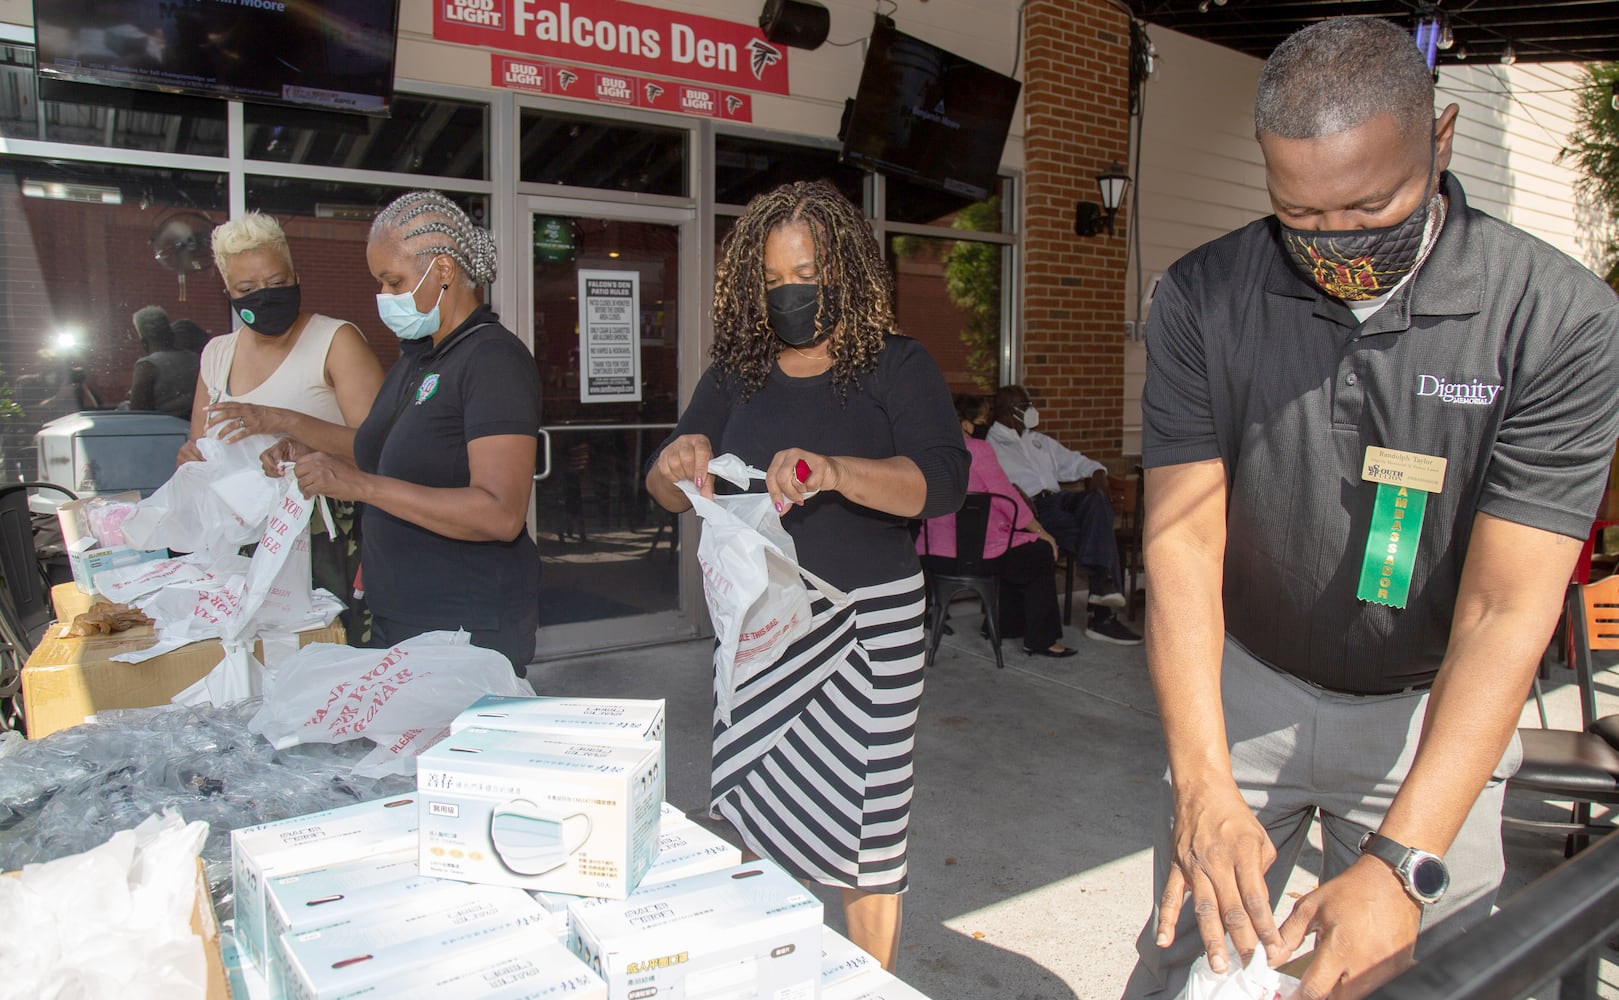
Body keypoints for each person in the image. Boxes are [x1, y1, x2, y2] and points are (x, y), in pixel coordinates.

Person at [1127, 18, 1619, 999]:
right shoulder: (1202, 298)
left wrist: (1401, 862)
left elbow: (1503, 609)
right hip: (1245, 689)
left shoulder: (1554, 321)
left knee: (1418, 976)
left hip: (1429, 714)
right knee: (1193, 957)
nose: (1335, 243)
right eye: (1296, 214)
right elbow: (1181, 539)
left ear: (1437, 141)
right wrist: (1199, 778)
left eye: (1368, 203)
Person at [645, 179, 967, 971]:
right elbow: (666, 489)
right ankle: (776, 968)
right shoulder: (736, 374)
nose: (791, 295)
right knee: (757, 807)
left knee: (866, 830)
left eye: (808, 274)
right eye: (774, 281)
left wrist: (832, 471)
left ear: (847, 272)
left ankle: (868, 985)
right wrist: (673, 461)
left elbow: (941, 482)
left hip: (865, 631)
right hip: (763, 628)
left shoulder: (897, 365)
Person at [269, 190, 542, 674]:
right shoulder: (418, 357)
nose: (385, 297)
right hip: (399, 613)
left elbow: (501, 513)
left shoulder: (493, 361)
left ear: (442, 271)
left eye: (393, 281)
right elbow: (378, 452)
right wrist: (304, 446)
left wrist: (363, 488)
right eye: (381, 283)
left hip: (464, 624)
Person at [183, 211, 385, 641]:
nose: (264, 296)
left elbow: (382, 449)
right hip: (244, 544)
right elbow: (199, 448)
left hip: (327, 542)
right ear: (228, 293)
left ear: (296, 276)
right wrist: (192, 461)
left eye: (276, 284)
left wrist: (279, 420)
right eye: (247, 289)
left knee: (328, 658)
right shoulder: (216, 355)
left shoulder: (336, 341)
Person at [917, 395, 1075, 658]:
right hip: (976, 556)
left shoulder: (922, 454)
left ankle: (1004, 626)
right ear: (963, 424)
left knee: (1015, 551)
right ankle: (1041, 640)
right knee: (1037, 552)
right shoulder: (977, 450)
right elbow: (1006, 496)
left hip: (932, 555)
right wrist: (1042, 532)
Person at [987, 383, 1140, 646]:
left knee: (1095, 502)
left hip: (1061, 499)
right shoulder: (992, 447)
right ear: (1008, 411)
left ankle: (1102, 587)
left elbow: (1076, 462)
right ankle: (1102, 612)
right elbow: (996, 488)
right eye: (1026, 406)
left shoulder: (1038, 441)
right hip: (1034, 511)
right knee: (1093, 531)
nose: (1032, 411)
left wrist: (1098, 471)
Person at [127, 305, 199, 418]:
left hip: (162, 431)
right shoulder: (196, 359)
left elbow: (137, 414)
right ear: (170, 333)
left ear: (144, 342)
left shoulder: (147, 367)